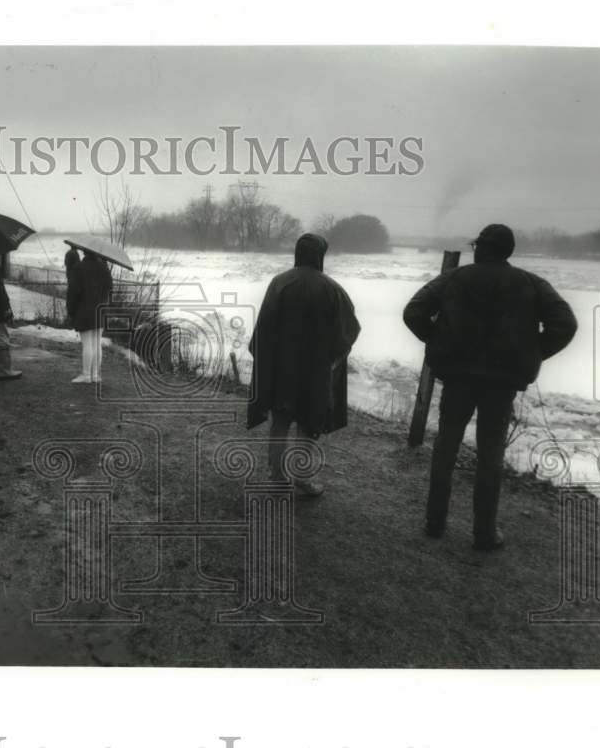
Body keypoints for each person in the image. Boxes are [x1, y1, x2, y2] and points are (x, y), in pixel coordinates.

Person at [403, 223, 578, 551]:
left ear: (482, 248)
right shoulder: (530, 283)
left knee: (445, 446)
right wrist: (534, 352)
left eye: (476, 245)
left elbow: (414, 312)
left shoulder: (454, 278)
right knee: (490, 453)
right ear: (508, 251)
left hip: (458, 377)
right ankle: (484, 533)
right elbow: (565, 324)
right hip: (501, 382)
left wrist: (440, 343)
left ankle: (434, 522)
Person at [247, 233, 361, 497]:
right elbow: (349, 331)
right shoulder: (333, 289)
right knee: (309, 424)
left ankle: (276, 476)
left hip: (282, 369)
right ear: (320, 255)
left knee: (281, 420)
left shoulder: (279, 283)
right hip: (315, 372)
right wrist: (332, 360)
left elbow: (263, 328)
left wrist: (265, 360)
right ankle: (302, 479)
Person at [66, 250, 113, 384]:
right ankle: (95, 375)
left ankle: (86, 375)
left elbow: (73, 292)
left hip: (84, 311)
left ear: (84, 252)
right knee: (97, 343)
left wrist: (71, 311)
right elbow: (110, 288)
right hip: (101, 310)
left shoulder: (79, 268)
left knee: (87, 344)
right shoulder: (104, 268)